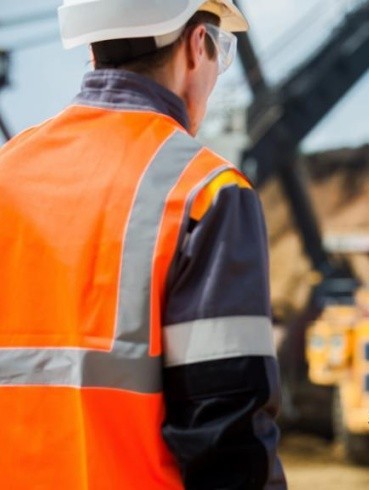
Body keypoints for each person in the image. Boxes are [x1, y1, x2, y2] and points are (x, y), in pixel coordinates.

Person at [0, 1, 286, 488]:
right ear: (198, 46)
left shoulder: (8, 170)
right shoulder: (205, 192)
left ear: (92, 49)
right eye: (222, 50)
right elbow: (227, 431)